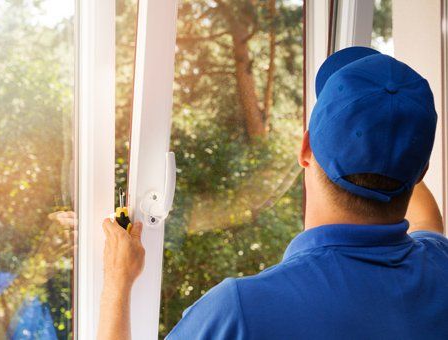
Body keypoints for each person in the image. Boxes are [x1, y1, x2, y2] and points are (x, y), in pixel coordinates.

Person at [98, 47, 448, 339]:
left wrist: (118, 282)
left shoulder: (241, 313)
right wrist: (394, 143)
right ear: (421, 171)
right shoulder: (439, 265)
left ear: (305, 149)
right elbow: (428, 221)